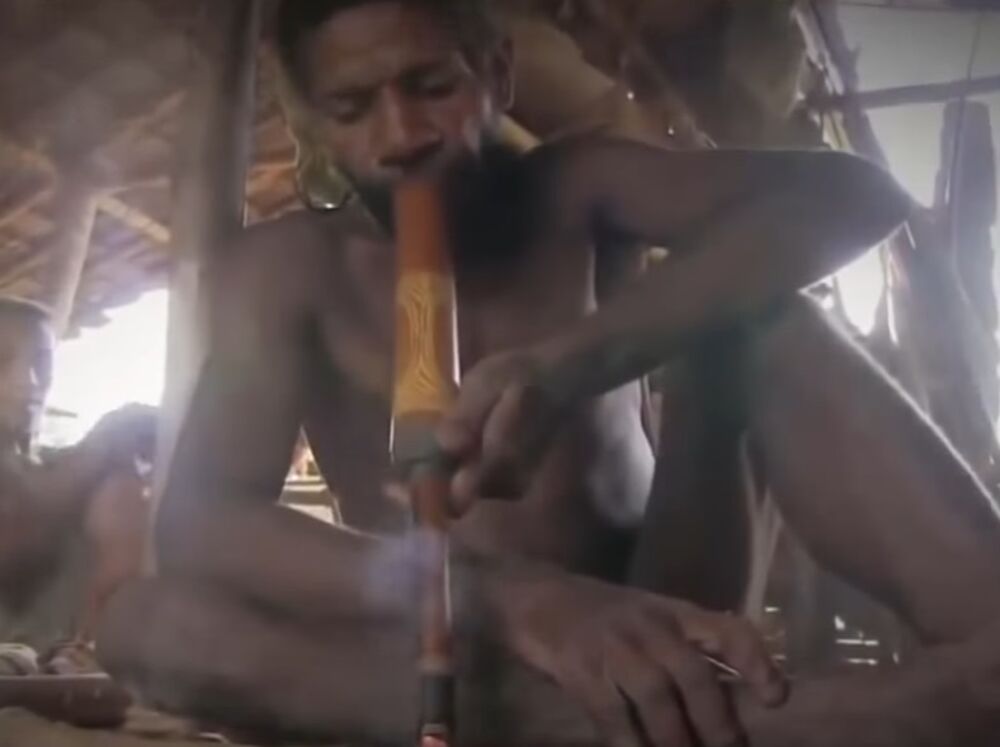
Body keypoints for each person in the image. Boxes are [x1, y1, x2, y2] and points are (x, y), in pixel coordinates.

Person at [97, 2, 1000, 746]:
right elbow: (200, 521)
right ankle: (762, 727)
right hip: (446, 645)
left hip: (660, 606)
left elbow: (857, 196)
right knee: (146, 623)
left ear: (496, 73)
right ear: (315, 126)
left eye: (432, 87)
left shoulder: (577, 187)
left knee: (763, 315)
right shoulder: (290, 270)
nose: (400, 134)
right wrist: (519, 601)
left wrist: (572, 362)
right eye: (353, 107)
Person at [0, 298, 153, 670]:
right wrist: (104, 442)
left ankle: (85, 654)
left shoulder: (70, 468)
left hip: (59, 657)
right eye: (2, 360)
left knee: (120, 488)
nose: (29, 381)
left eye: (41, 363)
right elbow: (17, 537)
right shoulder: (79, 466)